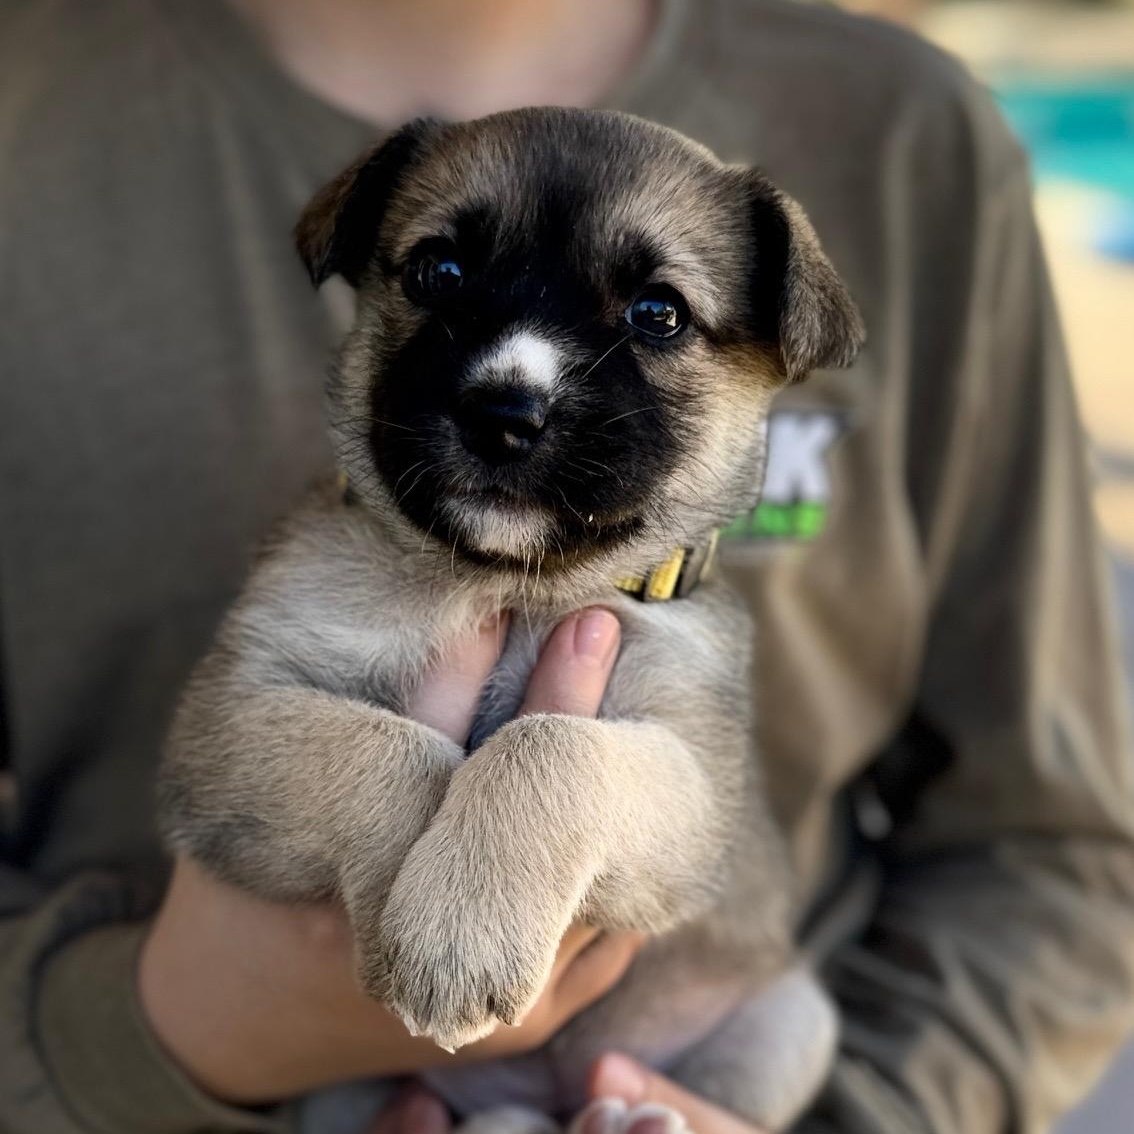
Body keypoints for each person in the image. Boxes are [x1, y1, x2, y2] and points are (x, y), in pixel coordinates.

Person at [1, 1, 1132, 1133]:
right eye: (442, 276)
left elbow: (1033, 852)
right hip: (256, 1102)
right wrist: (168, 1027)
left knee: (779, 1021)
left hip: (704, 1058)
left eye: (655, 315)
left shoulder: (907, 132)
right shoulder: (41, 108)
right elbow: (226, 761)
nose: (515, 378)